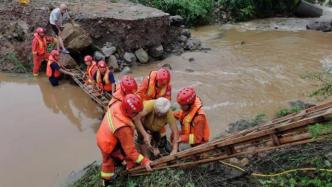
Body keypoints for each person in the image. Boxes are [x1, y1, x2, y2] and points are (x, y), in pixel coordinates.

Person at [96, 94, 152, 186]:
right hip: (108, 144)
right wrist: (145, 161)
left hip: (102, 135)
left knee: (111, 159)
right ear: (129, 112)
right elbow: (130, 152)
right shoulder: (123, 128)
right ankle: (107, 181)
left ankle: (111, 175)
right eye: (136, 113)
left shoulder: (117, 105)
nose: (138, 115)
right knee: (109, 162)